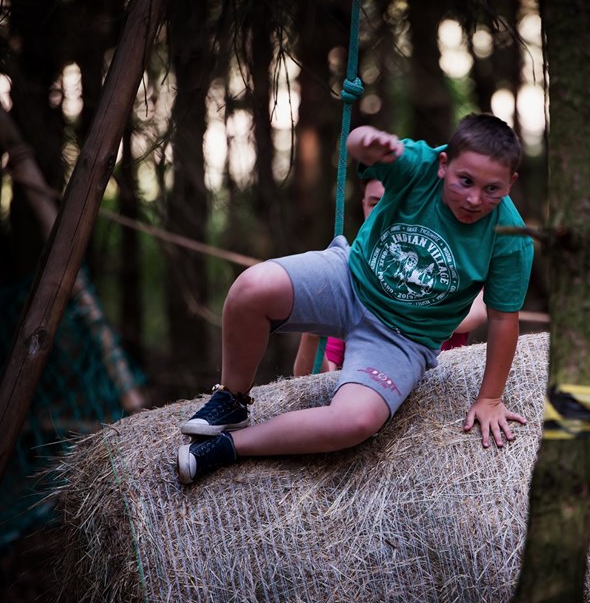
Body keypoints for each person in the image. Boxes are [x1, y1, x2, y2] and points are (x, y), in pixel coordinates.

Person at [176, 113, 534, 484]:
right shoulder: (420, 165)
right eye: (465, 181)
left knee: (355, 421)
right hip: (348, 280)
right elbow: (358, 144)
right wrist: (365, 141)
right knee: (252, 288)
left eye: (492, 189)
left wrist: (490, 399)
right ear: (444, 164)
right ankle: (232, 399)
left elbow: (503, 319)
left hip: (402, 338)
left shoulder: (511, 239)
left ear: (511, 183)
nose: (475, 198)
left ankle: (229, 447)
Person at [292, 178, 487, 376]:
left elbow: (476, 313)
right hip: (363, 390)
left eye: (396, 201)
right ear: (364, 206)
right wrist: (312, 330)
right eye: (375, 204)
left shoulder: (452, 263)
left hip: (436, 386)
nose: (385, 211)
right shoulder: (351, 273)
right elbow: (313, 380)